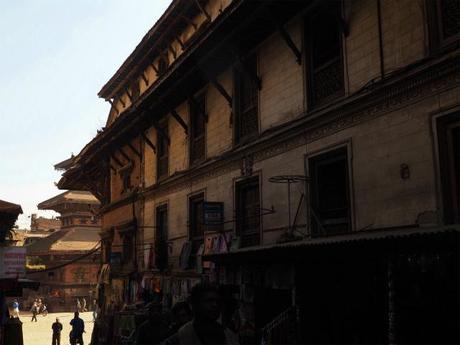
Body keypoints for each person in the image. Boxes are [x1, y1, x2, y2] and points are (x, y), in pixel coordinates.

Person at [163, 283, 239, 345]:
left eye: (217, 301)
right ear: (195, 305)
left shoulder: (228, 336)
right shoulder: (178, 339)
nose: (214, 305)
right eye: (209, 301)